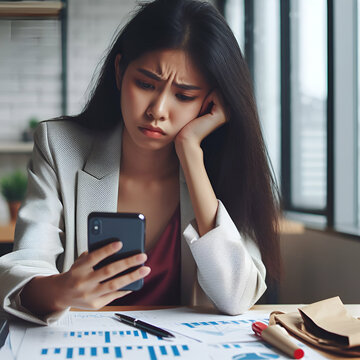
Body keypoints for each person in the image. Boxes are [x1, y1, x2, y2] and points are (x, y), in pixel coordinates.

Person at [0, 0, 280, 325]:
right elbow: (21, 269)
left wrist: (191, 153)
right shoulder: (60, 146)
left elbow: (236, 297)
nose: (158, 109)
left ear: (210, 104)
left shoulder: (224, 166)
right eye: (146, 84)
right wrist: (61, 290)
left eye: (184, 96)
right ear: (120, 72)